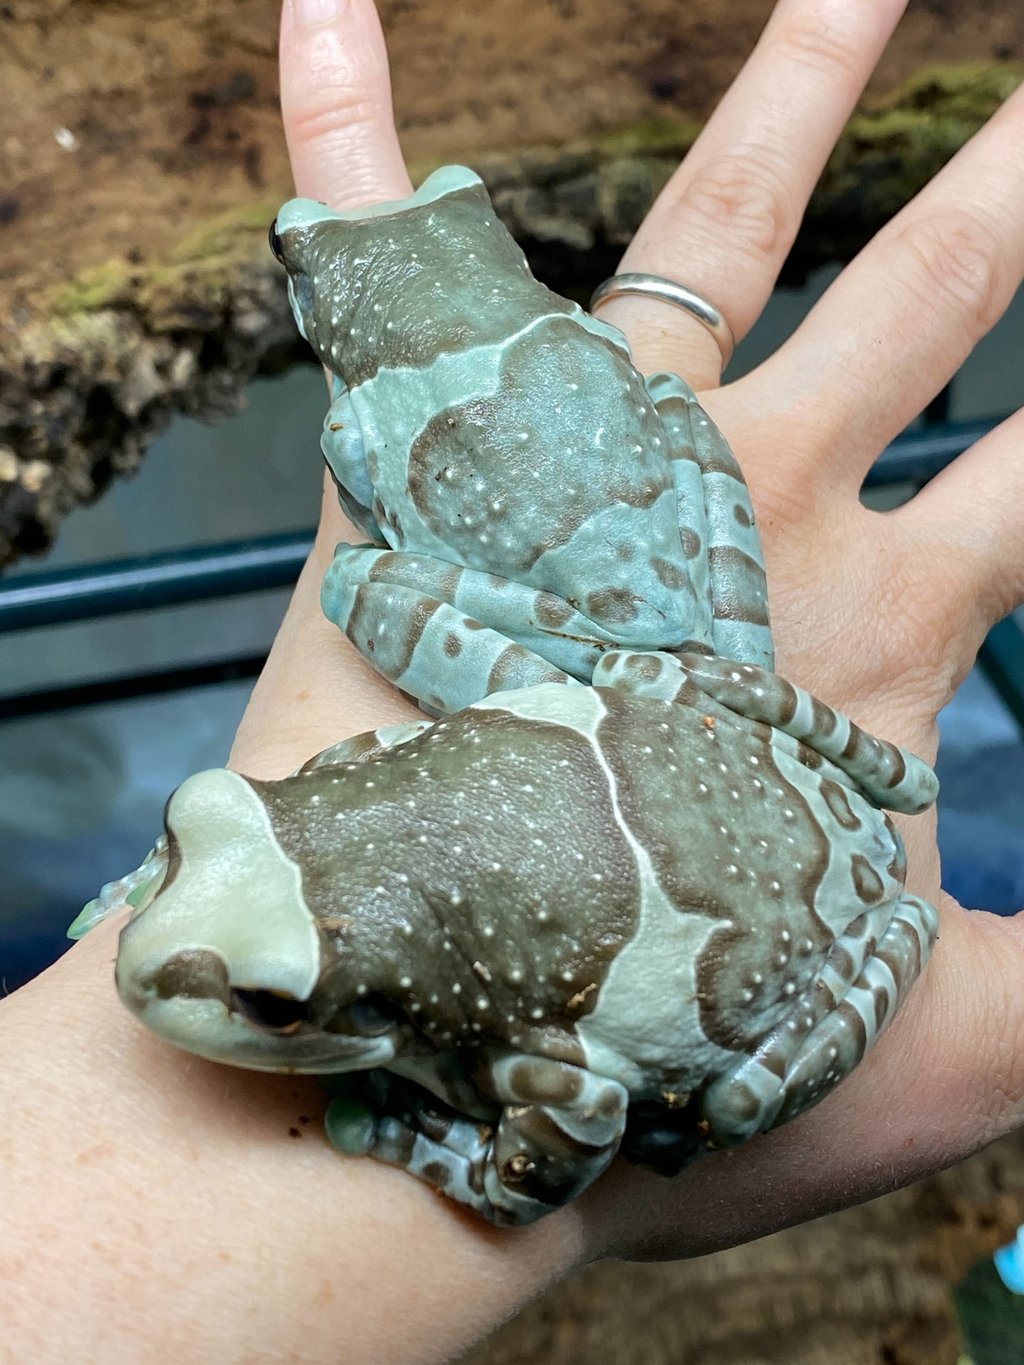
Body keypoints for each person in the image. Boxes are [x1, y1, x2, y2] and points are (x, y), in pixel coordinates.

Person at [3, 0, 1023, 1357]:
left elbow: (584, 1111)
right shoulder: (372, 796)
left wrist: (464, 1161)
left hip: (788, 933)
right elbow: (362, 781)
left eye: (272, 1000)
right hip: (695, 741)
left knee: (706, 1111)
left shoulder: (469, 1014)